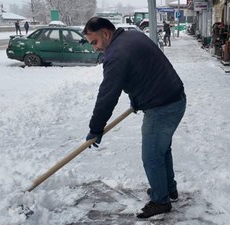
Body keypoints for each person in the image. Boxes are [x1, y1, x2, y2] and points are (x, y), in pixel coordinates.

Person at [83, 17, 186, 219]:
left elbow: (107, 95)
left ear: (105, 33)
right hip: (174, 98)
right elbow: (144, 71)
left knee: (152, 156)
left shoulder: (116, 54)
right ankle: (167, 189)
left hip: (162, 106)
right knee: (162, 150)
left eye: (94, 42)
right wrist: (138, 99)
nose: (94, 48)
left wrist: (96, 128)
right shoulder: (133, 36)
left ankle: (161, 200)